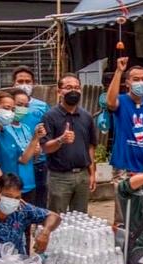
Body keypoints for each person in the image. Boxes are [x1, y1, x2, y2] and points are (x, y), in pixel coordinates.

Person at [0, 167, 61, 258]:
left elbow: (54, 217)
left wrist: (45, 232)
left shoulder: (21, 210)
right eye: (8, 196)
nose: (12, 201)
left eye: (17, 197)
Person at [40, 73, 98, 213]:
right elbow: (45, 147)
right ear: (59, 91)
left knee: (80, 218)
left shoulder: (86, 116)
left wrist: (92, 173)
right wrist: (61, 140)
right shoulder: (50, 116)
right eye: (68, 87)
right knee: (56, 217)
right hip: (59, 177)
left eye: (77, 87)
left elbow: (90, 146)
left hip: (82, 175)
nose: (73, 91)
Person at [106, 57, 143, 173]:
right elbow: (110, 102)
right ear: (127, 83)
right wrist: (119, 71)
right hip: (124, 167)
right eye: (136, 79)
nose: (140, 82)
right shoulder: (121, 101)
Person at [12, 66, 51, 208]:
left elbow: (48, 131)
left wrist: (41, 145)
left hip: (38, 161)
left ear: (33, 84)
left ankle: (38, 228)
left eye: (28, 81)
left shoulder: (42, 106)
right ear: (13, 84)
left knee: (39, 199)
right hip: (16, 162)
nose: (24, 84)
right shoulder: (7, 106)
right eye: (20, 81)